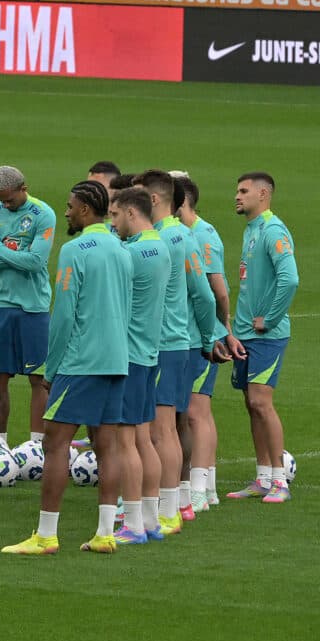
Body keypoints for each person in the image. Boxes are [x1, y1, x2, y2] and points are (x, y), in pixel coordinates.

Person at [3, 181, 131, 556]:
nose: (66, 212)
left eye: (70, 206)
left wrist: (51, 367)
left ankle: (46, 535)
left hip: (80, 361)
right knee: (108, 447)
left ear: (87, 210)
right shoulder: (123, 251)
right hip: (116, 360)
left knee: (55, 444)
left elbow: (63, 315)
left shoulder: (75, 250)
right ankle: (105, 533)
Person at [140, 168, 214, 531]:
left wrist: (210, 337)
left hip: (162, 344)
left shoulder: (169, 239)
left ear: (154, 199)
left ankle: (165, 508)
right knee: (168, 424)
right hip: (173, 342)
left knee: (160, 429)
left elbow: (202, 293)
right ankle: (175, 503)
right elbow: (201, 293)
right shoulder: (176, 236)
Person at [222, 171, 297, 503]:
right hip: (245, 335)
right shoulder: (252, 230)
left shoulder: (272, 230)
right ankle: (263, 477)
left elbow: (290, 279)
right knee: (250, 406)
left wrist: (270, 319)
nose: (237, 196)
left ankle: (280, 481)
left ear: (263, 194)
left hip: (267, 336)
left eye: (244, 191)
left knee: (261, 403)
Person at [0, 166, 57, 449]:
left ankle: (37, 446)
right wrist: (13, 255)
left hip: (34, 307)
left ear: (24, 188)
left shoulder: (43, 214)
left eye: (9, 199)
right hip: (3, 304)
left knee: (38, 378)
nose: (5, 205)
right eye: (1, 200)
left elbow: (36, 262)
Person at [110, 185, 171, 545]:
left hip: (128, 356)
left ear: (132, 213)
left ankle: (132, 523)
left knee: (126, 442)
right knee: (144, 439)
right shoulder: (160, 246)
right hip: (149, 352)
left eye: (115, 215)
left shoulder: (131, 253)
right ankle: (150, 519)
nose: (112, 222)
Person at [175, 172, 231, 510]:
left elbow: (217, 291)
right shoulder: (193, 233)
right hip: (200, 332)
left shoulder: (201, 235)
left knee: (196, 411)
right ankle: (205, 487)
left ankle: (198, 488)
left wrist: (222, 330)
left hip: (201, 335)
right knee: (197, 410)